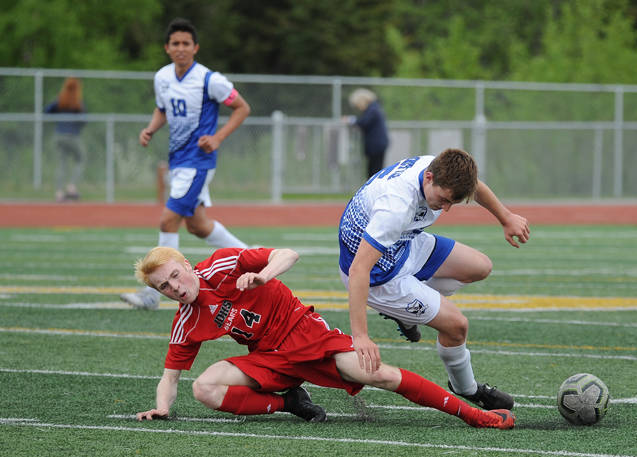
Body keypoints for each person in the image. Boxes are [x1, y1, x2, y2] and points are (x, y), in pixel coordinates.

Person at [133, 245, 515, 429]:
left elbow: (288, 253)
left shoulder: (223, 263)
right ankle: (288, 403)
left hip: (306, 334)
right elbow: (171, 376)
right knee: (205, 388)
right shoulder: (186, 319)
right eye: (164, 287)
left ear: (186, 264)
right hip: (270, 357)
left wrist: (265, 274)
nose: (174, 287)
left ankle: (474, 415)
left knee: (379, 374)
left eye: (175, 275)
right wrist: (163, 407)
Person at [338, 148, 530, 411]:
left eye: (454, 202)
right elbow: (359, 269)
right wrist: (360, 336)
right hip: (378, 277)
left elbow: (475, 187)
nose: (447, 209)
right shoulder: (396, 206)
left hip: (404, 245)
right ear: (428, 178)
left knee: (480, 266)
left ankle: (407, 313)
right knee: (457, 326)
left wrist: (506, 217)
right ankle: (467, 388)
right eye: (444, 199)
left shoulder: (438, 168)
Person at [121, 18, 251, 310]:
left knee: (168, 220)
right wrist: (151, 128)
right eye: (175, 44)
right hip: (179, 161)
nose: (181, 48)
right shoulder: (163, 77)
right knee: (198, 226)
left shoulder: (209, 80)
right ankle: (254, 257)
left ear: (195, 48)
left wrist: (217, 138)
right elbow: (162, 108)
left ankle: (152, 296)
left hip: (198, 162)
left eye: (186, 44)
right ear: (167, 48)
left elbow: (242, 108)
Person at [45, 77, 87, 202]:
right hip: (72, 136)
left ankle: (59, 192)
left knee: (61, 164)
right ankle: (71, 186)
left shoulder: (60, 100)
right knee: (81, 158)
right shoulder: (77, 102)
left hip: (59, 135)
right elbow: (84, 120)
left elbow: (47, 110)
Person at [347, 88, 389, 178]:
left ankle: (374, 190)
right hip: (376, 144)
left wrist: (351, 120)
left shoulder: (373, 109)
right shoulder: (374, 108)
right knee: (373, 170)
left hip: (376, 145)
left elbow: (363, 122)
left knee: (375, 171)